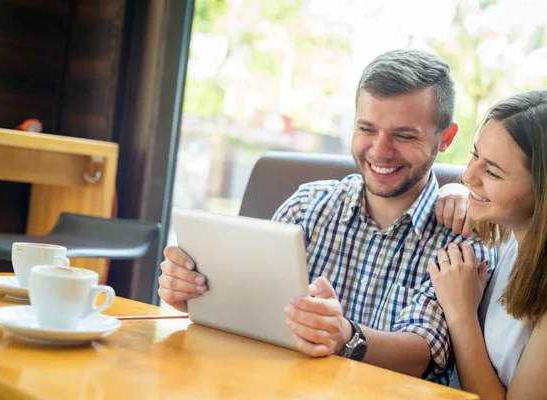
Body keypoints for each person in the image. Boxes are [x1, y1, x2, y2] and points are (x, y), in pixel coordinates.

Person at [158, 49, 496, 382]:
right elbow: (253, 303)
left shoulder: (460, 235)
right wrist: (195, 293)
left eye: (404, 136)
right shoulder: (307, 205)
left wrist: (346, 337)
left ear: (445, 138)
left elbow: (426, 352)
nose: (379, 150)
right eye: (367, 129)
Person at [430, 88, 547, 399]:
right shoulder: (513, 232)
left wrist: (461, 314)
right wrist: (453, 195)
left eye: (491, 171)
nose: (467, 174)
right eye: (475, 154)